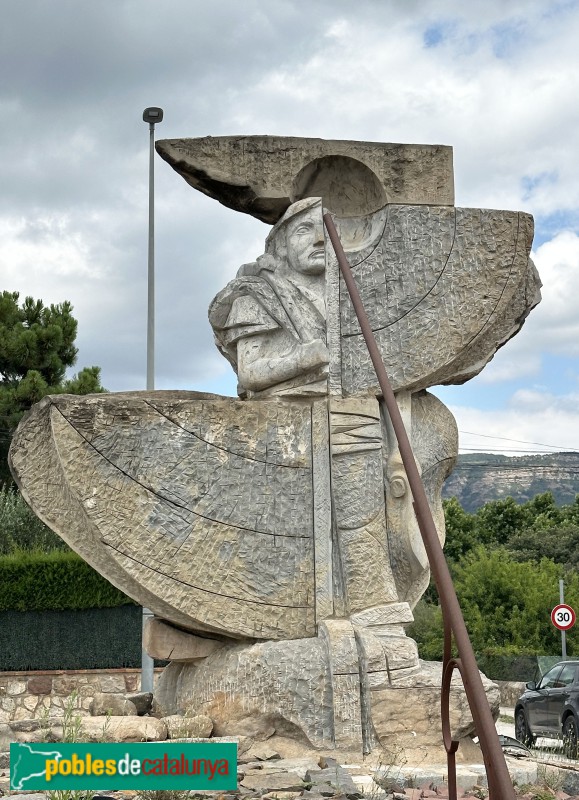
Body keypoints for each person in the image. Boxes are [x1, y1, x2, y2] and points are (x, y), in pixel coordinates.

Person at [209, 198, 330, 398]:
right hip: (289, 409)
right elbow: (249, 373)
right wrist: (300, 359)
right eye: (304, 230)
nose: (320, 239)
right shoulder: (252, 298)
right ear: (282, 246)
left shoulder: (348, 298)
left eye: (325, 229)